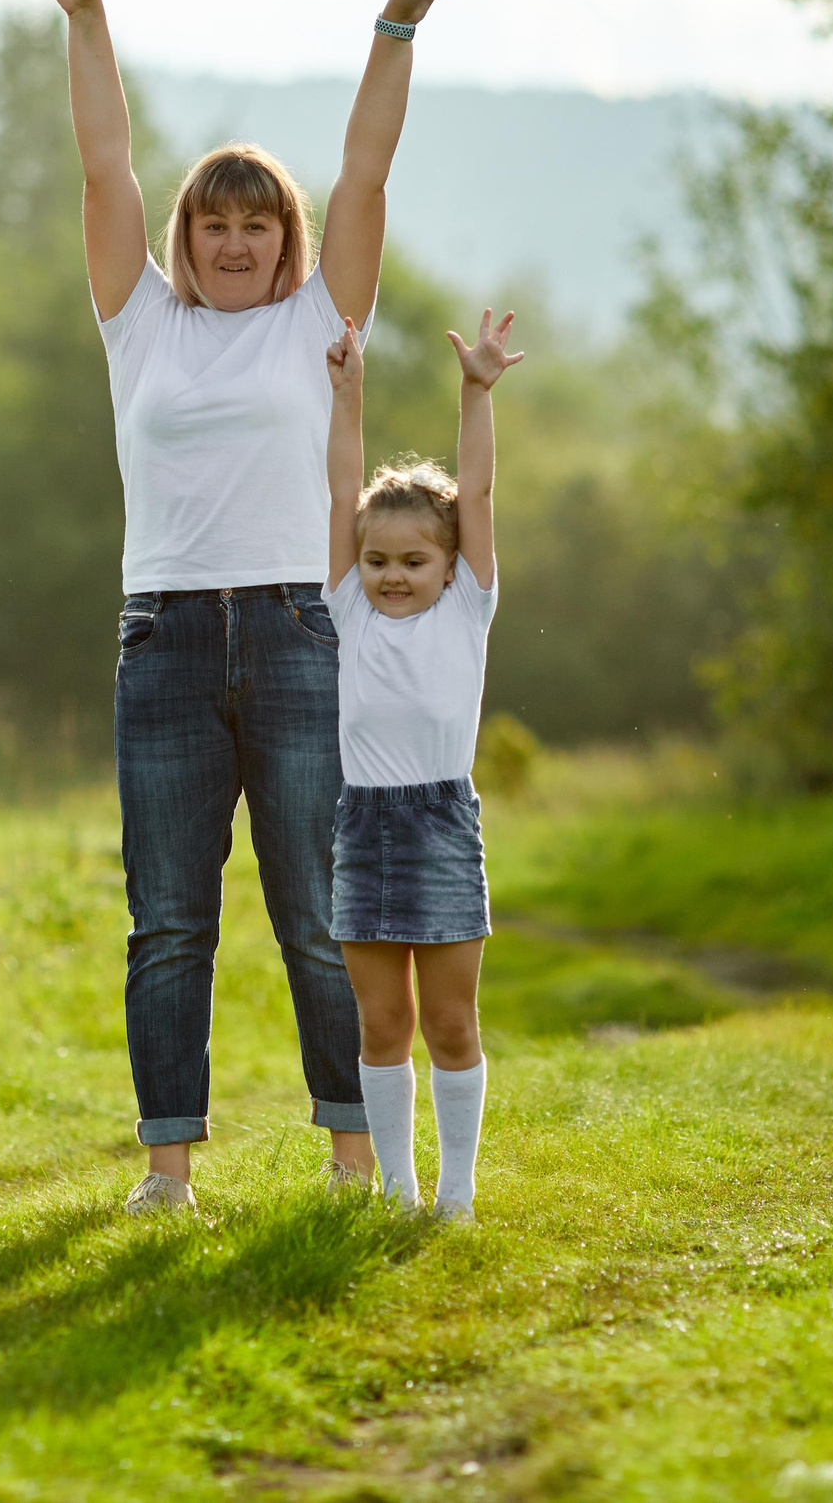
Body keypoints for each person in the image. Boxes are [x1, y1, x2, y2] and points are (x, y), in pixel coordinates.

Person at [28, 0, 467, 1213]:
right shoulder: (138, 324)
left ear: (287, 240)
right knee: (170, 916)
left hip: (298, 632)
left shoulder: (319, 319)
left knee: (320, 909)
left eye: (258, 224)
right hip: (162, 635)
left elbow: (366, 173)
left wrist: (394, 26)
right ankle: (167, 1165)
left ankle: (351, 1152)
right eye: (214, 225)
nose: (234, 242)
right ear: (186, 238)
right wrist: (86, 16)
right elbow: (103, 167)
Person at [321, 313, 517, 1220]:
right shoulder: (349, 610)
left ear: (449, 565)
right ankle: (397, 1190)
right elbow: (342, 487)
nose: (392, 575)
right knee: (382, 1023)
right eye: (377, 560)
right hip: (363, 827)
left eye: (413, 560)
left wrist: (476, 391)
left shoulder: (467, 608)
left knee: (448, 1022)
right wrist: (347, 394)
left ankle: (456, 1193)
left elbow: (476, 490)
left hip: (441, 824)